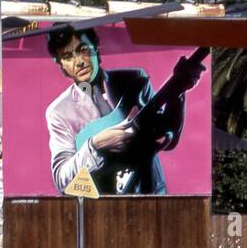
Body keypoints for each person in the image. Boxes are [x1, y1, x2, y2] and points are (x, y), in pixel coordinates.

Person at [44, 25, 201, 195]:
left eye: (83, 49)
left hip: (152, 196)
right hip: (104, 206)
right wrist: (96, 145)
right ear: (60, 64)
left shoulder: (134, 80)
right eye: (67, 56)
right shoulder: (59, 111)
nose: (79, 61)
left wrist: (178, 92)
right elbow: (62, 179)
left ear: (96, 47)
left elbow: (168, 137)